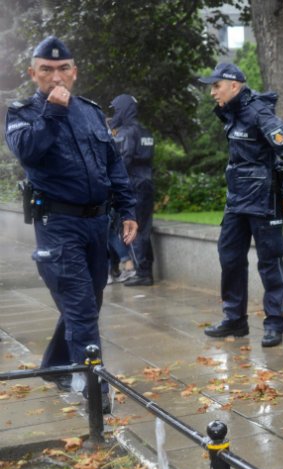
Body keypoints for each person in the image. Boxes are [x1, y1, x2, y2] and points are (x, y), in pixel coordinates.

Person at [4, 36, 137, 398]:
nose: (56, 76)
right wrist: (53, 111)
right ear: (34, 73)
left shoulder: (91, 112)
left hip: (97, 224)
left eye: (63, 69)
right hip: (59, 227)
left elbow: (114, 165)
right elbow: (29, 152)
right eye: (46, 70)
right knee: (80, 309)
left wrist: (127, 209)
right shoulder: (22, 113)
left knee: (88, 303)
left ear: (74, 72)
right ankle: (94, 394)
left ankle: (55, 366)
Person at [198, 63, 283, 348]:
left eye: (216, 86)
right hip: (238, 202)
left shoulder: (259, 113)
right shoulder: (233, 114)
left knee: (270, 263)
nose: (212, 93)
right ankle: (235, 320)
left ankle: (274, 324)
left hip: (264, 201)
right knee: (229, 257)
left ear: (234, 86)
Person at [109, 94, 155, 286]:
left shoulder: (126, 133)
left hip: (133, 186)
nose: (114, 114)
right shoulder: (145, 131)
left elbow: (123, 161)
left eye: (116, 109)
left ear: (123, 109)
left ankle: (141, 273)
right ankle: (146, 270)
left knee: (132, 229)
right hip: (146, 183)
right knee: (144, 230)